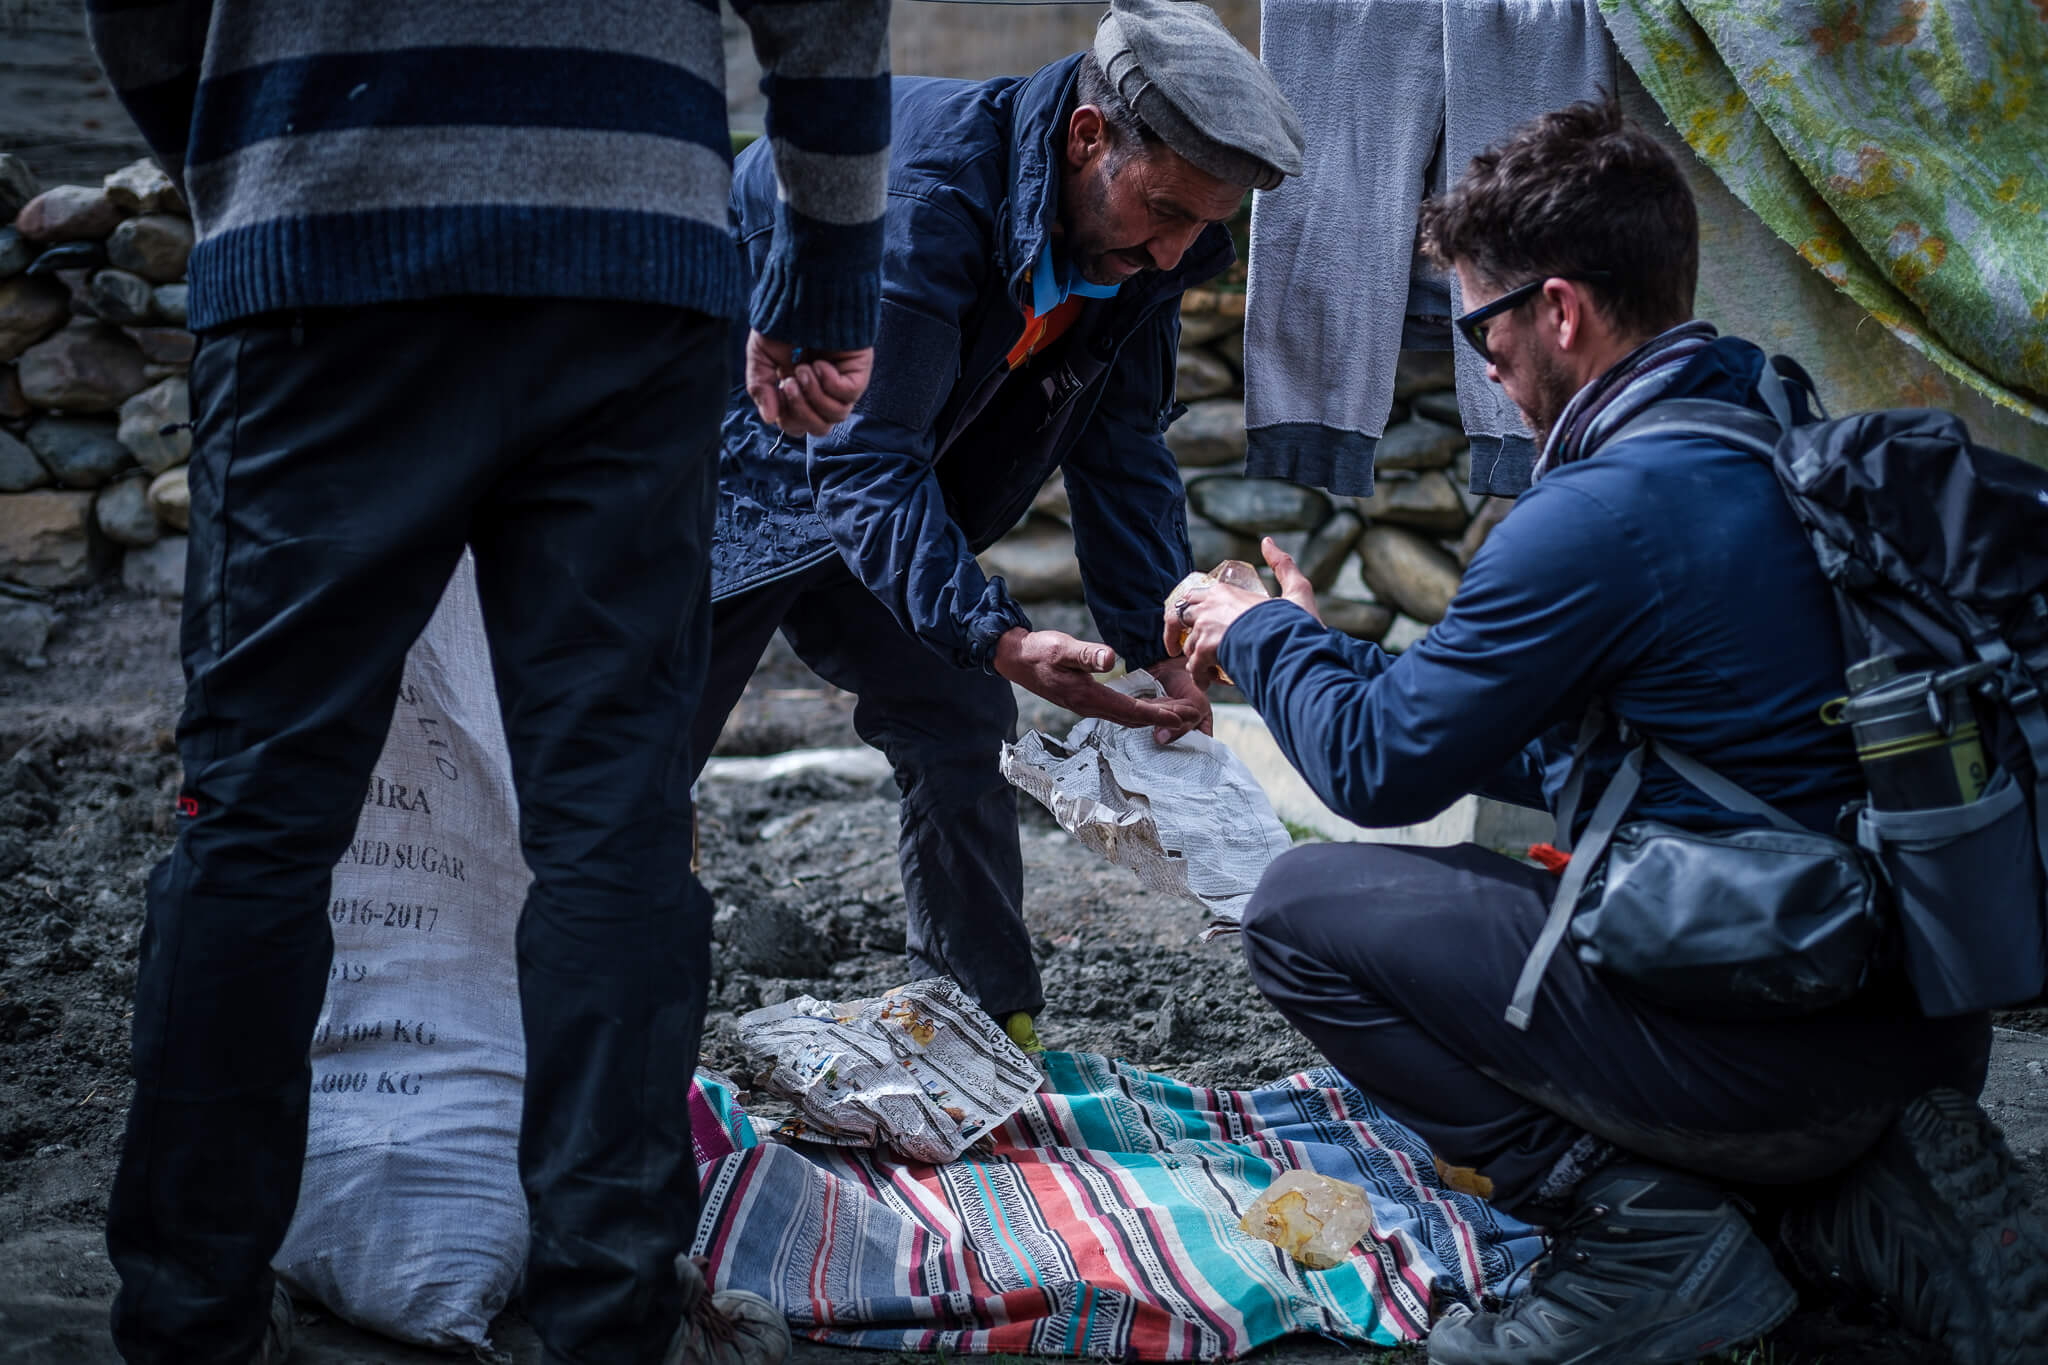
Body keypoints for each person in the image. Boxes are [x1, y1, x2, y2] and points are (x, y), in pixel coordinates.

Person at [1169, 99, 2048, 1365]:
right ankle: (1846, 1207)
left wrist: (1251, 632)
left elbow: (1375, 769)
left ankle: (1645, 1239)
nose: (1481, 364)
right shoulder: (1767, 431)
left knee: (1301, 910)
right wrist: (1326, 653)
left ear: (1560, 311)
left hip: (1758, 1048)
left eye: (1480, 326)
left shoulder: (1596, 513)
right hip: (1909, 1028)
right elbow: (1550, 743)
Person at [84, 1, 891, 1361]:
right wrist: (822, 284)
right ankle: (602, 1327)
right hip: (624, 263)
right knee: (612, 832)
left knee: (254, 820)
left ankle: (187, 1325)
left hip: (327, 242)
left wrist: (244, 155)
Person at [695, 0, 1303, 1051]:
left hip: (883, 465)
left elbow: (1118, 448)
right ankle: (564, 1040)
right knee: (636, 743)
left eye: (1200, 229)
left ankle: (980, 1017)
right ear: (1086, 136)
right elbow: (861, 453)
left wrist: (1159, 652)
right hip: (724, 453)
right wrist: (1003, 637)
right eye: (1160, 211)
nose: (1170, 255)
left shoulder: (1140, 253)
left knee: (957, 715)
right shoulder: (922, 197)